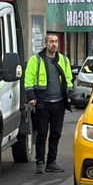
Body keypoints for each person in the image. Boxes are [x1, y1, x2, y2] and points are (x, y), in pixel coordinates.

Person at [24, 34, 74, 174]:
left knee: (56, 134)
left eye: (56, 42)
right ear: (45, 44)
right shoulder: (36, 59)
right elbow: (29, 78)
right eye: (51, 41)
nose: (54, 44)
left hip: (58, 103)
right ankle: (40, 162)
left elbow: (69, 79)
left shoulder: (64, 60)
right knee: (42, 134)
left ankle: (52, 162)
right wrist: (31, 96)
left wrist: (69, 94)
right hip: (42, 103)